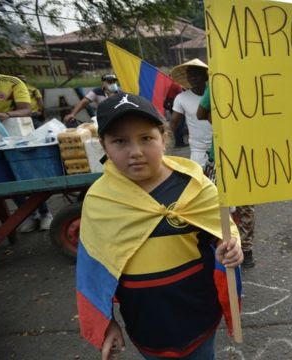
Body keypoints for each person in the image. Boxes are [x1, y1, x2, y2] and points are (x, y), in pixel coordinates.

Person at [76, 93, 243, 360]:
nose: (136, 152)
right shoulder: (100, 201)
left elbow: (223, 231)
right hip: (146, 324)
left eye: (146, 138)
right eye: (120, 141)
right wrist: (106, 323)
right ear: (104, 146)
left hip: (198, 315)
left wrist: (232, 246)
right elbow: (93, 270)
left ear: (163, 138)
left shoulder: (194, 185)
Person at [196, 84, 256, 269]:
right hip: (238, 155)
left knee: (224, 206)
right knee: (230, 206)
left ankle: (234, 249)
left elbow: (202, 114)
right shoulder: (218, 82)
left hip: (232, 156)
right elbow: (201, 114)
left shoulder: (216, 81)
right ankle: (239, 250)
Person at [0, 60, 53, 231]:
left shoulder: (12, 83)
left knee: (28, 175)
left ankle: (45, 213)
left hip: (19, 135)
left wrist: (6, 114)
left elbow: (26, 110)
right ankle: (29, 215)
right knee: (7, 178)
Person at [170, 59, 212, 166]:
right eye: (190, 75)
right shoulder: (181, 98)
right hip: (198, 150)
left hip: (219, 145)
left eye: (196, 74)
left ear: (205, 76)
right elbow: (174, 122)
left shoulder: (215, 94)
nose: (193, 78)